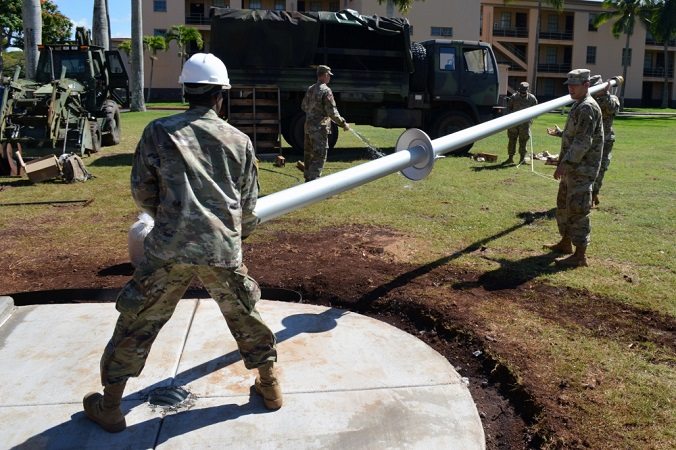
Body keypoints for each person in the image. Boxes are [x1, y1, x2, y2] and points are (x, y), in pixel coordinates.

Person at [82, 53, 281, 433]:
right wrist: (229, 239)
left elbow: (142, 191)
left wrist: (170, 223)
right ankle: (270, 387)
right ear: (222, 94)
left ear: (185, 89)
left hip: (167, 249)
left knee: (138, 320)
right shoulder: (239, 141)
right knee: (244, 314)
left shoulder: (158, 131)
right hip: (221, 248)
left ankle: (110, 405)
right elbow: (249, 205)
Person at [545, 69, 604, 268]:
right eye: (569, 85)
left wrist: (564, 164)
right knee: (563, 205)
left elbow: (582, 143)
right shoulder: (579, 104)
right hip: (573, 168)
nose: (570, 88)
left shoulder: (587, 107)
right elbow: (573, 137)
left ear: (586, 85)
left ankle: (580, 255)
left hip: (582, 169)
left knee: (578, 209)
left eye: (575, 85)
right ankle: (565, 243)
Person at [301, 64, 349, 182]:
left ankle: (307, 179)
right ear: (325, 75)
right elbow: (332, 112)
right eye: (329, 75)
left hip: (308, 127)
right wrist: (343, 123)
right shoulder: (326, 90)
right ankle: (313, 183)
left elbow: (303, 106)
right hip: (319, 129)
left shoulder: (310, 88)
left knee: (309, 155)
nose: (330, 78)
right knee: (319, 156)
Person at [589, 75, 620, 206]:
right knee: (587, 168)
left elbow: (612, 108)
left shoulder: (611, 99)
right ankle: (587, 194)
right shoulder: (588, 100)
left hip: (606, 140)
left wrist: (605, 94)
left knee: (601, 168)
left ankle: (594, 193)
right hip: (590, 139)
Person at [505, 81, 538, 164]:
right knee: (512, 140)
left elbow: (536, 110)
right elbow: (509, 108)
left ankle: (522, 159)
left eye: (524, 92)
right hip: (514, 123)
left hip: (525, 124)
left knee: (523, 141)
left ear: (527, 90)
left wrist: (530, 119)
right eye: (521, 92)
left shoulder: (532, 98)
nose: (522, 93)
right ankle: (510, 158)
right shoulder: (514, 97)